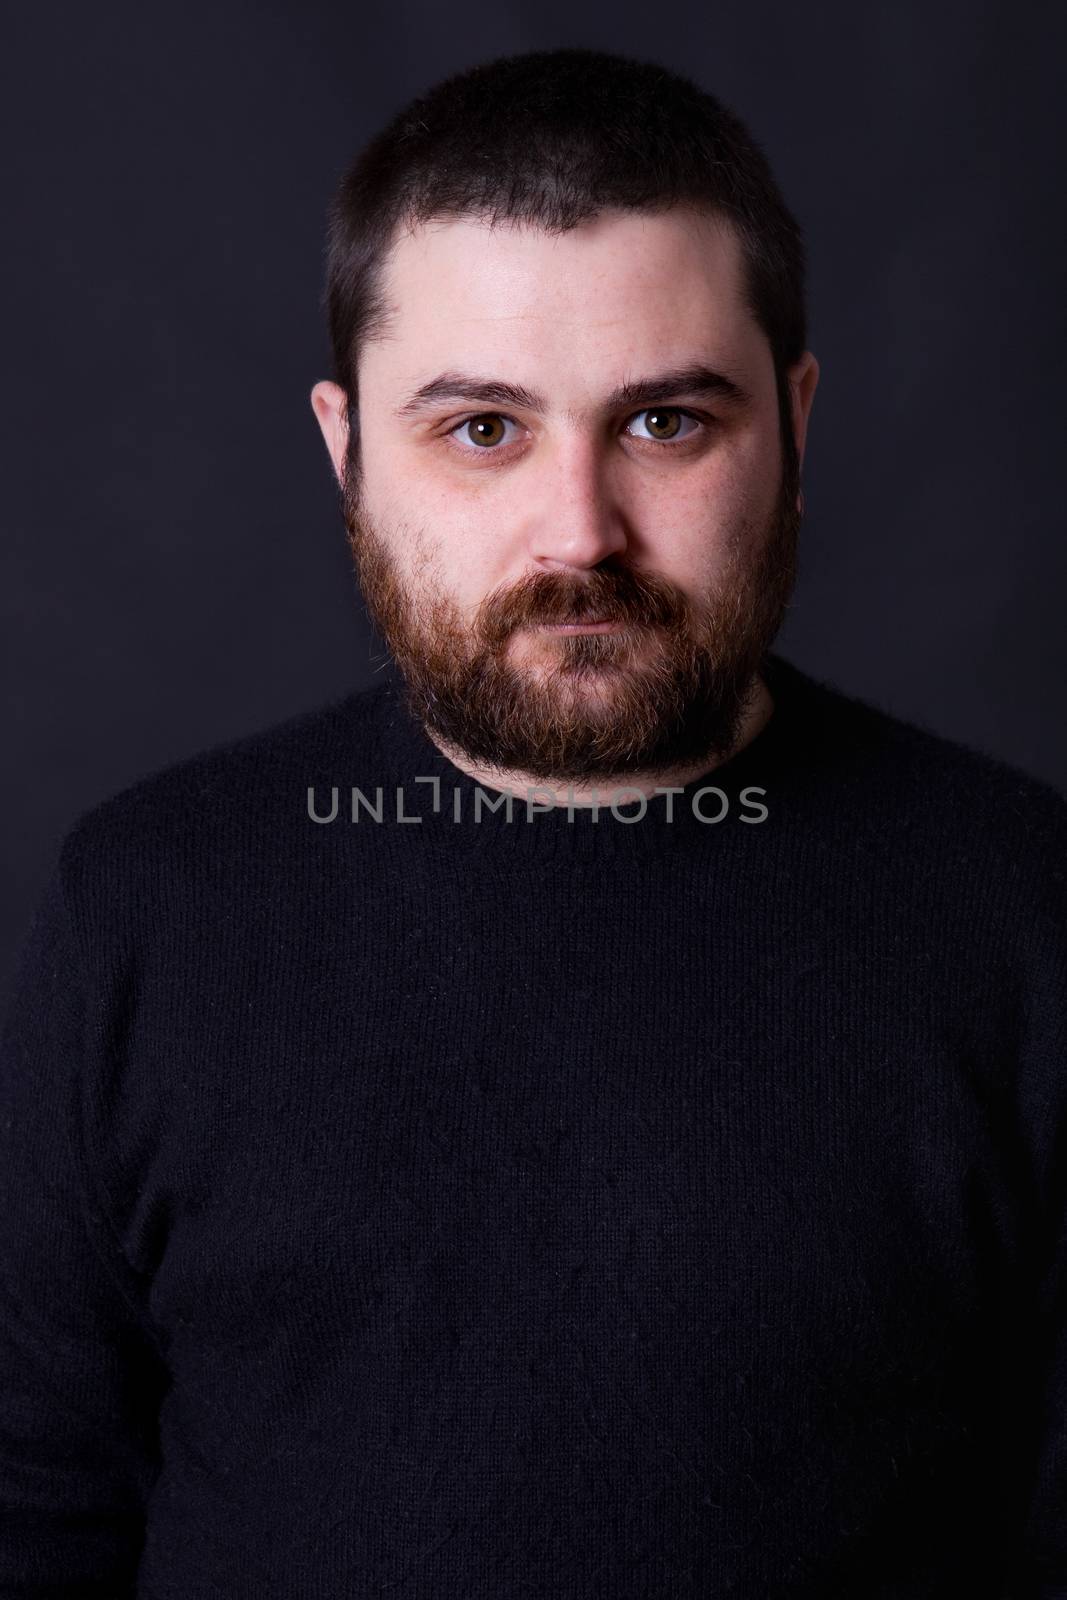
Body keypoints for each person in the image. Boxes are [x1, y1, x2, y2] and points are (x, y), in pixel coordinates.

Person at [1, 44, 1064, 1598]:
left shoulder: (1024, 911)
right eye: (483, 428)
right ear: (345, 452)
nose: (579, 532)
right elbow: (38, 1508)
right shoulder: (146, 904)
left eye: (665, 425)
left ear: (797, 424)